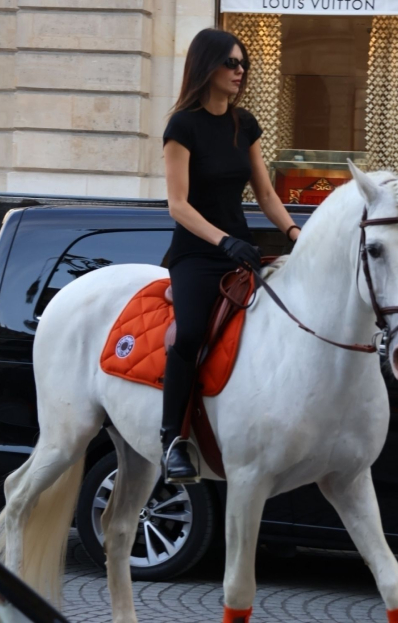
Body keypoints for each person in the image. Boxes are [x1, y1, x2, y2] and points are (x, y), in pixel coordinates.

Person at [160, 27, 302, 483]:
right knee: (191, 333)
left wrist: (296, 232)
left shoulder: (246, 124)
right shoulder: (182, 126)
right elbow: (177, 205)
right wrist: (222, 241)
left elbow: (264, 192)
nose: (241, 71)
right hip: (197, 254)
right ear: (207, 67)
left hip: (242, 250)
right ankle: (173, 440)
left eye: (243, 64)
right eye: (232, 63)